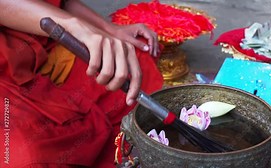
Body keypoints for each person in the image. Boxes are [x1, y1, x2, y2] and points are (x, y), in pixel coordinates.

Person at [0, 0, 163, 167]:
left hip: (42, 42)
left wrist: (107, 29)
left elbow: (57, 2)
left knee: (132, 63)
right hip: (8, 67)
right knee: (26, 155)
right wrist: (73, 27)